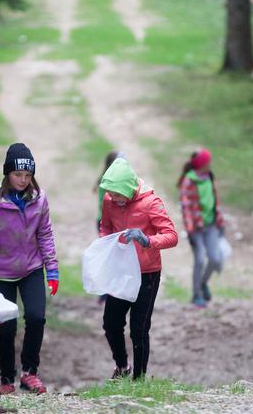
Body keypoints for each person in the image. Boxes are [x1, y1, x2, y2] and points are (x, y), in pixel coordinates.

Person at [0, 143, 58, 396]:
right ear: (7, 173)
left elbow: (46, 235)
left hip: (31, 268)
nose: (23, 180)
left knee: (37, 317)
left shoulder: (39, 200)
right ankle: (7, 379)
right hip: (0, 272)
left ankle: (30, 373)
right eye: (18, 175)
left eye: (28, 176)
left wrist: (52, 271)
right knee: (6, 327)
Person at [99, 157, 178, 380]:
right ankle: (122, 367)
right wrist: (107, 242)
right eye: (110, 194)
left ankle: (139, 380)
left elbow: (172, 236)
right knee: (111, 323)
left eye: (117, 194)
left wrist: (147, 240)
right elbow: (105, 226)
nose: (112, 198)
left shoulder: (151, 203)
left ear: (128, 189)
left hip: (147, 273)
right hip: (121, 270)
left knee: (139, 330)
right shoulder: (109, 200)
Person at [177, 148, 225, 308]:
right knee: (199, 259)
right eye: (208, 161)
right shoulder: (188, 181)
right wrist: (190, 229)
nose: (210, 164)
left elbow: (214, 200)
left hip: (211, 225)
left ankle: (203, 283)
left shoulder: (209, 177)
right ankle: (196, 294)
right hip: (196, 228)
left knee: (215, 258)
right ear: (201, 164)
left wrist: (220, 220)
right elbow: (186, 207)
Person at [93, 150, 120, 306]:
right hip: (106, 223)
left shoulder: (104, 179)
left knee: (110, 257)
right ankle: (105, 292)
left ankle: (107, 292)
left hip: (105, 222)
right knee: (109, 257)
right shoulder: (107, 181)